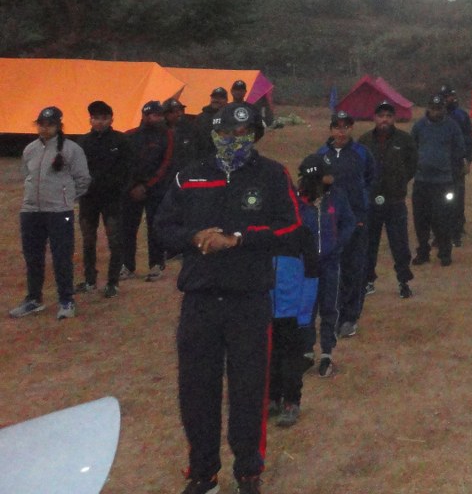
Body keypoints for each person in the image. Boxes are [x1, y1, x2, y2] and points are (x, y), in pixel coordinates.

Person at [154, 102, 302, 494]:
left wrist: (239, 240)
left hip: (248, 301)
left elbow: (292, 229)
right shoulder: (191, 176)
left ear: (255, 135)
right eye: (225, 133)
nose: (233, 141)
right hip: (200, 301)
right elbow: (163, 228)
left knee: (249, 391)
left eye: (242, 134)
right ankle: (203, 474)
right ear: (213, 135)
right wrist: (193, 237)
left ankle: (248, 472)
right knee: (196, 391)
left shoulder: (272, 175)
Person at [9, 107, 91, 320]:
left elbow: (83, 179)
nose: (44, 129)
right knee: (32, 256)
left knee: (62, 256)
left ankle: (66, 299)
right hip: (31, 211)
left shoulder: (71, 149)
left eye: (49, 125)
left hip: (59, 211)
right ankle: (34, 298)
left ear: (58, 126)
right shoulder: (30, 149)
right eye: (41, 124)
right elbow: (27, 175)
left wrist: (65, 198)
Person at [315, 111, 376, 338]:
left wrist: (362, 204)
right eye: (337, 127)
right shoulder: (321, 154)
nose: (341, 132)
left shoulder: (362, 153)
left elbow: (371, 178)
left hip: (356, 219)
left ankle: (350, 317)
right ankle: (332, 313)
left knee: (354, 267)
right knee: (330, 268)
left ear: (351, 129)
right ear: (331, 129)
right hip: (330, 221)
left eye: (346, 127)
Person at [268, 168, 321, 427]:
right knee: (269, 357)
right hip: (266, 310)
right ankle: (272, 398)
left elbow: (312, 277)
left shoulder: (302, 235)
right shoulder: (262, 234)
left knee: (291, 360)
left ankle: (291, 401)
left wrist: (303, 313)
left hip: (292, 311)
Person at [295, 153, 354, 379]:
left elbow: (348, 222)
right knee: (306, 307)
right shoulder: (298, 201)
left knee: (329, 307)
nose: (332, 178)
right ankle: (306, 351)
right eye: (327, 174)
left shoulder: (337, 196)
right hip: (305, 266)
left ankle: (327, 353)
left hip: (330, 263)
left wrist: (338, 244)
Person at [359, 101, 417, 298]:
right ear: (374, 118)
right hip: (371, 202)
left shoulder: (405, 140)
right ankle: (367, 280)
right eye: (381, 116)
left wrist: (399, 181)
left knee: (399, 244)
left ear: (394, 118)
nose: (384, 120)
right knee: (368, 243)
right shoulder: (364, 141)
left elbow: (412, 165)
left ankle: (403, 281)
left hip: (395, 201)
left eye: (388, 116)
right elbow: (359, 167)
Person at [76, 100, 131, 298]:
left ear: (111, 120)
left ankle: (113, 281)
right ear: (90, 120)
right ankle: (90, 279)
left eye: (104, 118)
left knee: (114, 239)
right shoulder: (83, 142)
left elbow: (129, 168)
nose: (100, 122)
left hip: (112, 198)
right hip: (89, 198)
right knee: (88, 239)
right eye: (96, 118)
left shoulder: (120, 141)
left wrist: (121, 189)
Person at [121, 100, 175, 281]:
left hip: (156, 189)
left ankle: (156, 264)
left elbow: (166, 163)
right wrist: (132, 186)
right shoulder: (130, 136)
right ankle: (127, 264)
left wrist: (147, 185)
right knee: (128, 227)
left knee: (155, 227)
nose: (158, 118)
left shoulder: (167, 136)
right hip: (132, 190)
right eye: (154, 115)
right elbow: (125, 165)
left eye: (160, 115)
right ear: (144, 116)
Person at [411, 93, 466, 267]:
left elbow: (459, 150)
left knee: (443, 218)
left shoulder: (452, 127)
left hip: (443, 181)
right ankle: (423, 252)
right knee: (421, 219)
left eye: (439, 108)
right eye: (433, 108)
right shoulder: (419, 126)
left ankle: (444, 252)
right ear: (428, 108)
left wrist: (454, 171)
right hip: (422, 180)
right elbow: (411, 148)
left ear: (444, 109)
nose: (436, 112)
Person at [440, 86, 472, 245]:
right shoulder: (438, 115)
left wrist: (468, 159)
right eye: (444, 96)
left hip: (457, 162)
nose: (447, 99)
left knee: (457, 195)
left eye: (449, 96)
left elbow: (468, 139)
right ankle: (440, 226)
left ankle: (458, 226)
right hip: (441, 163)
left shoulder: (461, 116)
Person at [193, 87, 229, 159]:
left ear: (226, 100)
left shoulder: (231, 117)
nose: (216, 100)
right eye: (214, 97)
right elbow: (194, 138)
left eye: (220, 98)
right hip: (202, 157)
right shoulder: (200, 117)